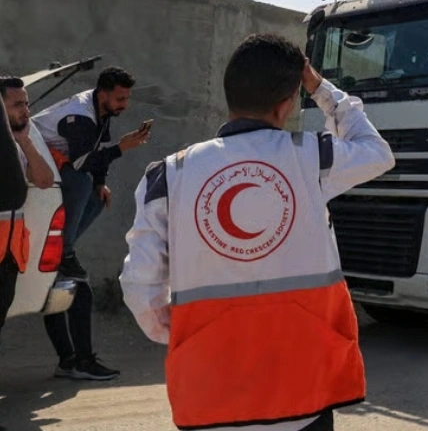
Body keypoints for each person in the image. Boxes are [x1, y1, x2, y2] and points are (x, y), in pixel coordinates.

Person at [121, 33, 394, 431]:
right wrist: (319, 88)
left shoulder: (167, 175)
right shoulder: (311, 157)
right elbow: (376, 151)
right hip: (302, 395)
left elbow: (139, 286)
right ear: (286, 106)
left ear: (229, 95)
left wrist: (195, 340)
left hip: (210, 397)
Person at [33, 66, 150, 280]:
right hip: (30, 158)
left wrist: (101, 182)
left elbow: (96, 151)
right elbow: (81, 164)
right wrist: (121, 148)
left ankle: (62, 250)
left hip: (54, 160)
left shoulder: (102, 109)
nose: (124, 105)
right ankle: (65, 251)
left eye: (126, 99)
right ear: (103, 93)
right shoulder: (81, 116)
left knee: (97, 195)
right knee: (81, 182)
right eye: (120, 99)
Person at [1, 76, 57, 343]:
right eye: (17, 105)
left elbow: (45, 180)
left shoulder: (19, 143)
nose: (26, 110)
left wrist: (25, 142)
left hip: (10, 251)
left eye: (27, 103)